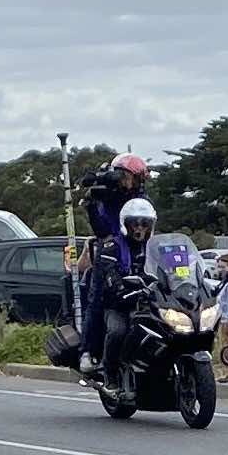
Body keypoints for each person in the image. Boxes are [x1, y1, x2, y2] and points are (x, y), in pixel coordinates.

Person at [90, 197, 157, 395]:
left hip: (149, 301)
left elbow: (173, 268)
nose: (140, 229)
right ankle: (109, 375)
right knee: (118, 331)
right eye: (135, 224)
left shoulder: (155, 247)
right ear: (125, 224)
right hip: (118, 304)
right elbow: (109, 273)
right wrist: (120, 288)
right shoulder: (112, 247)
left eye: (144, 224)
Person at [82, 153, 149, 240]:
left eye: (139, 179)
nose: (137, 183)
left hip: (136, 243)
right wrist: (91, 204)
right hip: (114, 243)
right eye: (135, 178)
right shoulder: (110, 196)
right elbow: (102, 232)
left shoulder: (141, 199)